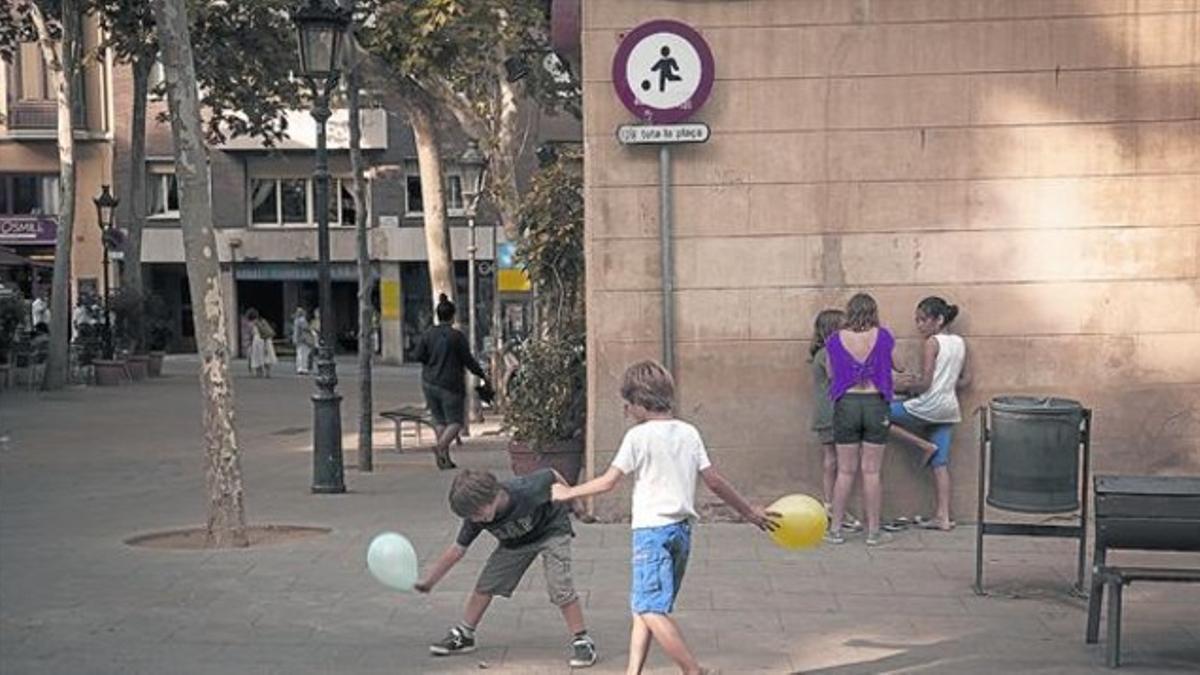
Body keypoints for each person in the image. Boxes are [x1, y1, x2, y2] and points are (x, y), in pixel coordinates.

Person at [551, 360, 777, 675]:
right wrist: (750, 512)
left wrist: (568, 493)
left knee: (650, 608)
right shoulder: (689, 432)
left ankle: (692, 670)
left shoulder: (637, 438)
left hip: (651, 535)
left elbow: (608, 482)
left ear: (641, 404)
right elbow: (714, 481)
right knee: (643, 607)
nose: (626, 410)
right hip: (682, 532)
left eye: (627, 404)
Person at [414, 468, 598, 668]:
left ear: (493, 496)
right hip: (514, 543)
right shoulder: (474, 518)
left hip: (551, 530)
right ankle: (465, 634)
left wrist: (576, 504)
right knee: (486, 584)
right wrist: (429, 582)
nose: (475, 520)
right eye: (471, 516)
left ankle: (582, 639)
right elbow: (457, 550)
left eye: (477, 513)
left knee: (560, 587)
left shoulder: (526, 490)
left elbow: (553, 474)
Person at [890, 297, 970, 531]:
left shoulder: (932, 343)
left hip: (929, 404)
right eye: (917, 320)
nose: (919, 325)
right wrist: (945, 384)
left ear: (939, 320)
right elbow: (966, 380)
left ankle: (923, 446)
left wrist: (902, 385)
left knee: (876, 416)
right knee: (940, 464)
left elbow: (925, 384)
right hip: (949, 407)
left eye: (923, 320)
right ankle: (943, 517)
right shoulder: (960, 343)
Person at [825, 293, 896, 546]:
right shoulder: (885, 337)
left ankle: (835, 529)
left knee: (845, 471)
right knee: (872, 471)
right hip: (875, 404)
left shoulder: (834, 340)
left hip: (847, 404)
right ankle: (873, 531)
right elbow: (891, 367)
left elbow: (832, 373)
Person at [412, 294, 490, 470]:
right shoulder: (457, 336)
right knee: (456, 422)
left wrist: (430, 361)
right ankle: (440, 447)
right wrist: (481, 374)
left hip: (429, 382)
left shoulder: (428, 334)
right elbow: (468, 360)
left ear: (437, 315)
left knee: (440, 421)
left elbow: (417, 356)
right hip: (451, 384)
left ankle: (444, 459)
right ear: (453, 316)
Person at [809, 308, 862, 533]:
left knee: (832, 459)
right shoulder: (831, 351)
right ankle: (836, 508)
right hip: (834, 411)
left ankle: (830, 505)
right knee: (843, 464)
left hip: (824, 411)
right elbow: (836, 376)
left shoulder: (821, 352)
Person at [246, 308, 277, 378]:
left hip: (258, 340)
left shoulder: (251, 324)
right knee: (267, 356)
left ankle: (259, 372)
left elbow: (251, 334)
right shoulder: (262, 321)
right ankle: (268, 372)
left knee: (257, 357)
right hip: (267, 339)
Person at [291, 307, 314, 375]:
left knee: (299, 354)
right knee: (304, 354)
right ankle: (304, 368)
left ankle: (299, 368)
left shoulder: (296, 320)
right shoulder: (302, 320)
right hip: (304, 340)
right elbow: (307, 328)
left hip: (298, 340)